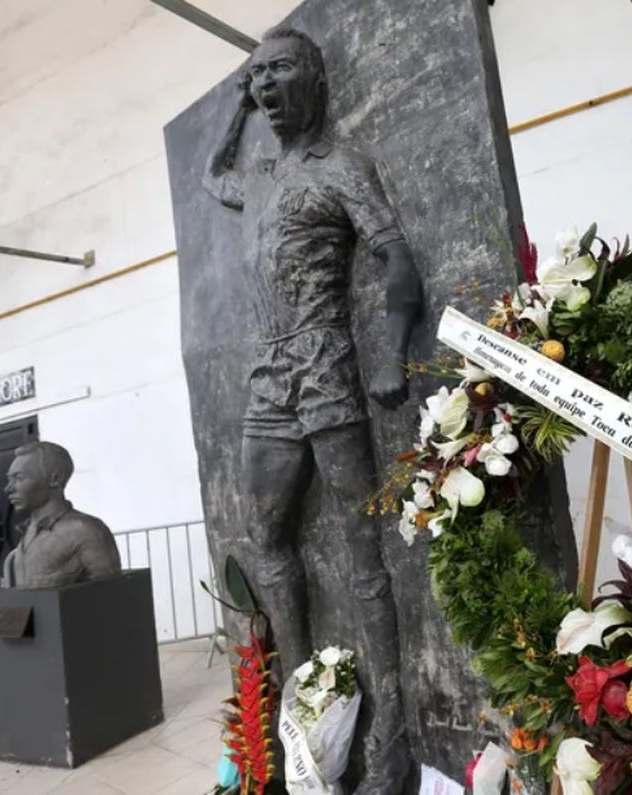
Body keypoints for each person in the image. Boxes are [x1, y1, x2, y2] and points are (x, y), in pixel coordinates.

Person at [202, 26, 421, 793]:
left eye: (279, 71)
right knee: (267, 540)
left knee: (363, 553)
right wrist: (234, 108)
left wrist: (391, 354)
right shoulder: (256, 176)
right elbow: (212, 173)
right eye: (255, 77)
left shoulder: (342, 167)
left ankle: (391, 725)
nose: (265, 86)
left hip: (325, 365)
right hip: (266, 378)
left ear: (316, 82)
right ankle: (299, 708)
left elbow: (397, 256)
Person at [5, 441, 121, 589]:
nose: (8, 489)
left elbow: (111, 593)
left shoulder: (85, 530)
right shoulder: (29, 529)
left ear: (55, 480)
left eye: (20, 478)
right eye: (10, 479)